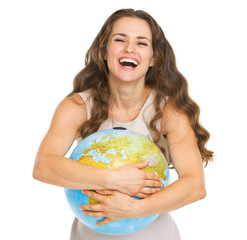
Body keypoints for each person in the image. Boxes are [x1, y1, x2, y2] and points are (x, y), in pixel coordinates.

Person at [33, 8, 213, 240]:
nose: (130, 48)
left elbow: (195, 186)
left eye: (142, 43)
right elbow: (43, 167)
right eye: (120, 40)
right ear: (105, 52)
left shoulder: (170, 113)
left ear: (154, 58)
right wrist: (115, 179)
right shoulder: (76, 107)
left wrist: (134, 209)